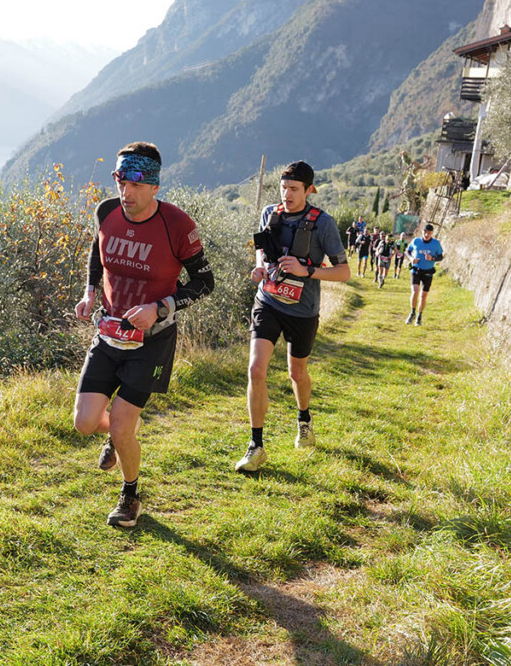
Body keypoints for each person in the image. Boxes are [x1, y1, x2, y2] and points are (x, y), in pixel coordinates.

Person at [74, 141, 215, 527]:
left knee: (122, 424)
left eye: (135, 184)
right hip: (108, 334)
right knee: (84, 423)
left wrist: (160, 307)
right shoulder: (107, 211)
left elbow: (205, 282)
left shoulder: (177, 225)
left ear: (154, 186)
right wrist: (89, 293)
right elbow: (98, 251)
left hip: (151, 341)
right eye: (120, 181)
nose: (126, 191)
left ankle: (130, 496)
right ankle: (120, 437)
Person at [236, 161, 350, 473]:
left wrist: (307, 270)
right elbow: (262, 248)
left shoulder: (323, 223)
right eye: (283, 188)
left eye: (294, 189)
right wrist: (260, 267)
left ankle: (304, 419)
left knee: (296, 373)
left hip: (303, 311)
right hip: (268, 301)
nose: (287, 195)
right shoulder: (269, 213)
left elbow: (344, 272)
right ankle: (256, 445)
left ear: (309, 190)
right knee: (256, 369)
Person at [404, 223, 444, 326]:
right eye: (425, 232)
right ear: (422, 232)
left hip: (428, 272)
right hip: (416, 270)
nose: (426, 235)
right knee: (415, 292)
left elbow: (440, 257)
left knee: (423, 296)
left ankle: (419, 317)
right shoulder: (416, 241)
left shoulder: (436, 244)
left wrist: (432, 258)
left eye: (429, 233)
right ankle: (412, 313)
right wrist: (411, 259)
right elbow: (407, 251)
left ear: (432, 233)